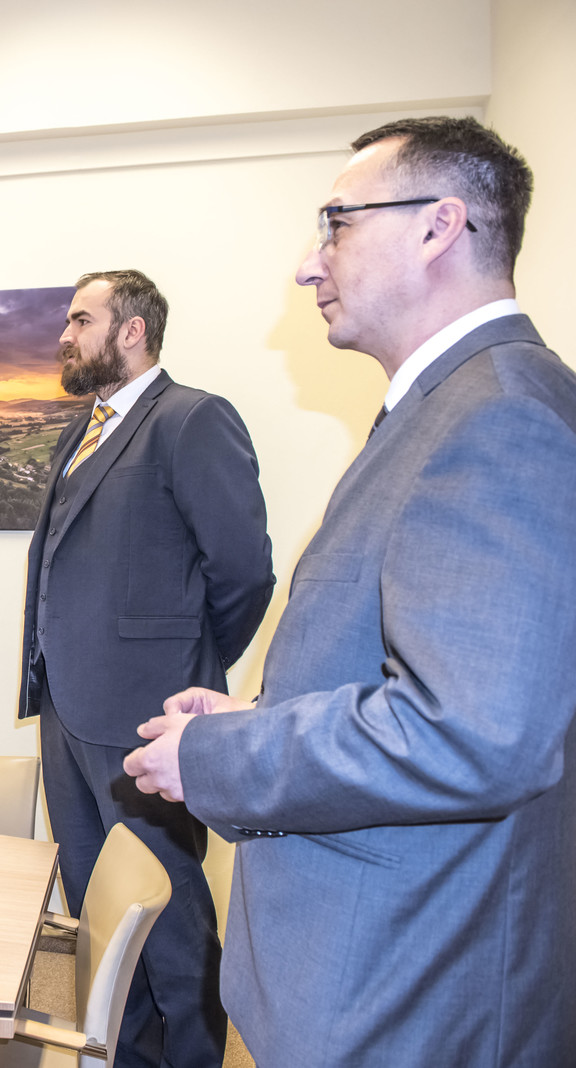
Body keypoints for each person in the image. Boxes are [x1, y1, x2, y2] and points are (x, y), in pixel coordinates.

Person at [126, 117, 576, 1065]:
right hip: (378, 973)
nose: (307, 264)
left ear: (438, 225)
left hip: (410, 988)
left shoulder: (499, 417)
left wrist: (220, 753)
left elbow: (476, 734)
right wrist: (261, 711)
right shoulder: (453, 405)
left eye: (336, 224)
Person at [20, 270, 273, 1067]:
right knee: (100, 915)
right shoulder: (82, 429)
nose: (65, 335)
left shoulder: (192, 419)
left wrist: (187, 664)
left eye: (80, 320)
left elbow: (244, 573)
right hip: (65, 710)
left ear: (132, 330)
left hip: (147, 717)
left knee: (168, 916)